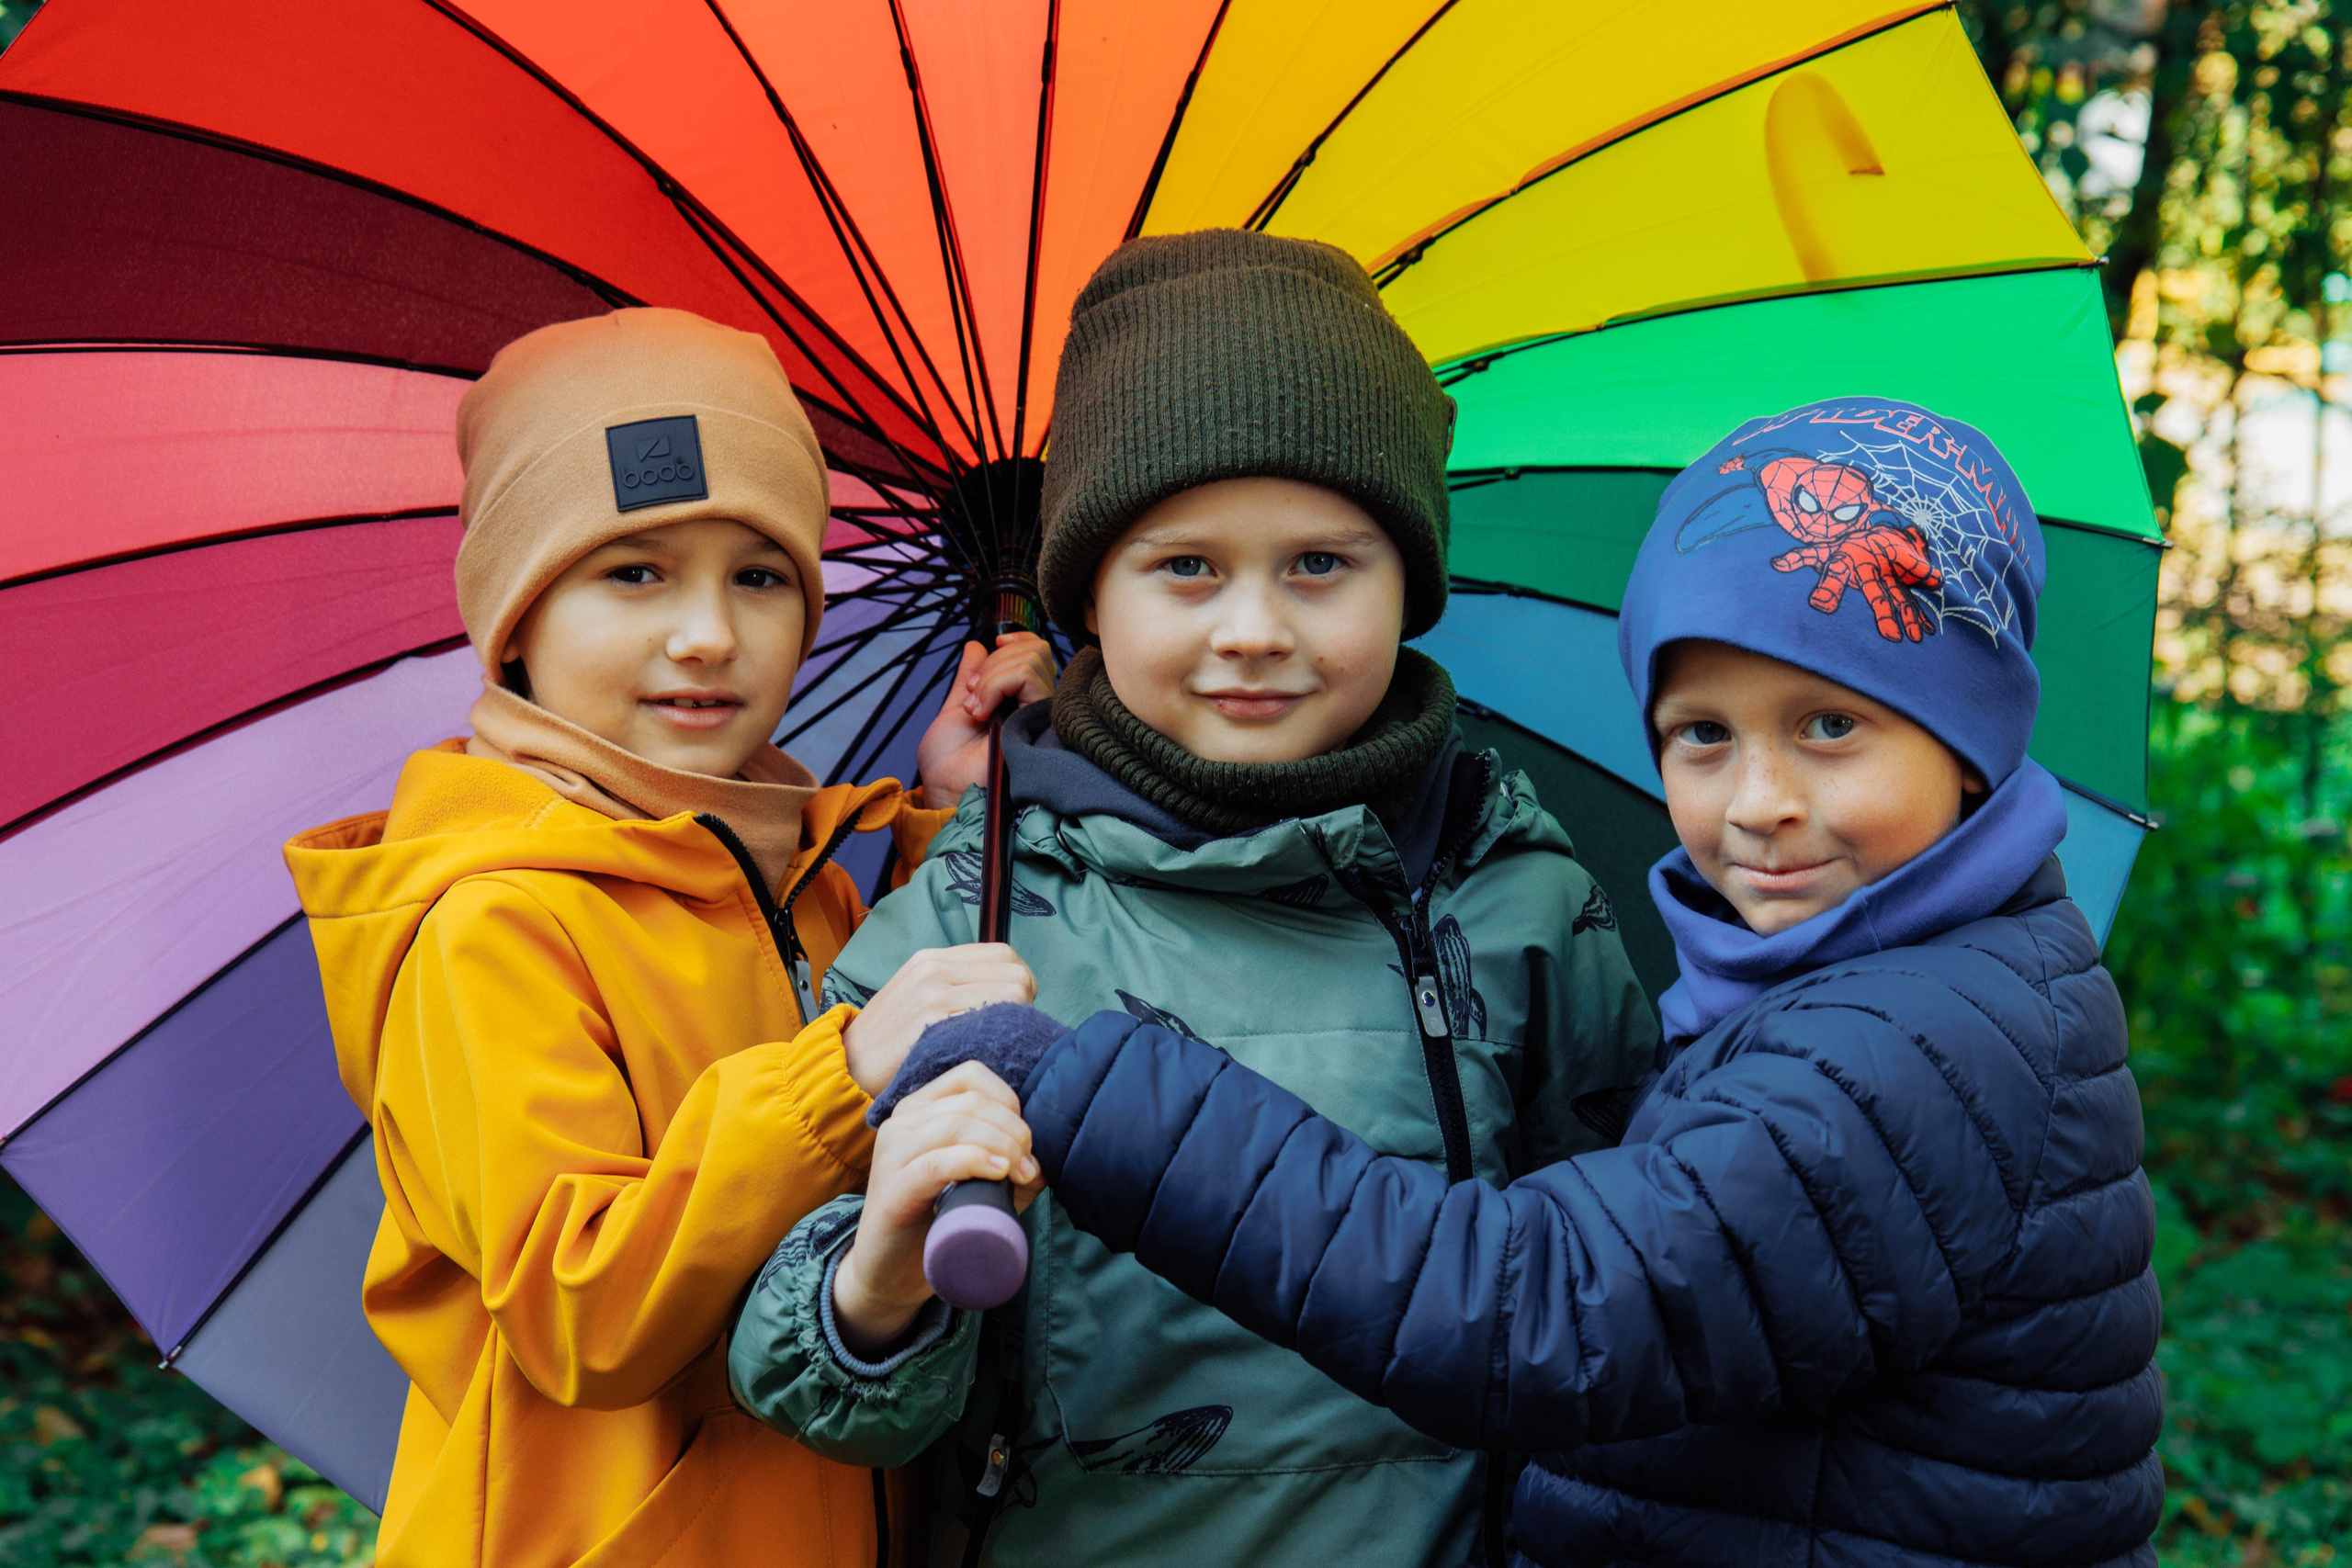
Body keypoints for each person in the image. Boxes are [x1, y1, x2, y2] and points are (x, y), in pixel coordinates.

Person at [886, 400, 2164, 1566]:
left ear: (1971, 737)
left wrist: (1077, 1080)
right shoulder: (1883, 979)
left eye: (1832, 726)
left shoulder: (1912, 1047)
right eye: (1703, 735)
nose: (1761, 806)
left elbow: (1537, 1309)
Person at [726, 231, 1660, 1566]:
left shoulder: (1508, 887)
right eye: (1187, 569)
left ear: (1413, 582)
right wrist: (877, 1282)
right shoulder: (979, 911)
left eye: (1322, 565)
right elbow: (806, 1370)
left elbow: (1627, 1282)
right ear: (1086, 591)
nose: (1255, 630)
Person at [282, 309, 1052, 1568]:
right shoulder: (493, 922)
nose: (707, 633)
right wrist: (833, 1079)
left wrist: (954, 824)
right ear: (517, 618)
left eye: (758, 576)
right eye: (634, 572)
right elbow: (581, 1312)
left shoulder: (792, 876)